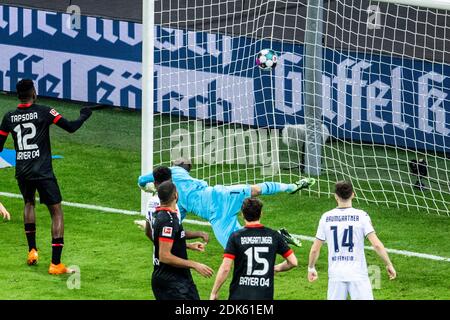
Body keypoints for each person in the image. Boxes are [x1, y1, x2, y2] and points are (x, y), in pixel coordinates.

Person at [0, 79, 92, 274]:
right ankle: (55, 264)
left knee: (28, 203)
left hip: (22, 171)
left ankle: (32, 251)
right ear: (33, 92)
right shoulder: (45, 111)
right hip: (42, 171)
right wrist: (84, 116)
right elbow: (71, 127)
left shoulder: (9, 117)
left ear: (18, 95)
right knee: (56, 212)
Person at [138, 158, 315, 248]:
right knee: (255, 192)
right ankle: (278, 234)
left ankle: (292, 187)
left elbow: (142, 178)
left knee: (238, 245)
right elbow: (176, 226)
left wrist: (143, 187)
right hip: (220, 200)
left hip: (217, 204)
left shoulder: (173, 172)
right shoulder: (178, 203)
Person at [307, 181, 397, 300]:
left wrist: (311, 267)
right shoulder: (362, 216)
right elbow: (377, 245)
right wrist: (388, 264)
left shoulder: (326, 217)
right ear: (353, 194)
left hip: (336, 275)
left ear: (335, 196)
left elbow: (315, 249)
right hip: (358, 274)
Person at [210, 198, 298, 300]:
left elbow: (225, 268)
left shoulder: (236, 237)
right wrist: (276, 268)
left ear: (242, 214)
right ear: (261, 213)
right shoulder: (274, 235)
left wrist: (214, 292)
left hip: (239, 296)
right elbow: (293, 262)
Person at [151, 180, 213, 300]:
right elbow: (164, 255)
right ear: (176, 195)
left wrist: (189, 245)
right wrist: (194, 265)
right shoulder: (167, 220)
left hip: (172, 278)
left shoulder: (161, 215)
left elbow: (167, 241)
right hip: (173, 281)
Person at [139, 166, 209, 244]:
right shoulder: (172, 210)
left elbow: (149, 233)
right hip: (171, 254)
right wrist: (198, 234)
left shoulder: (151, 202)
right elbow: (176, 234)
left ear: (155, 184)